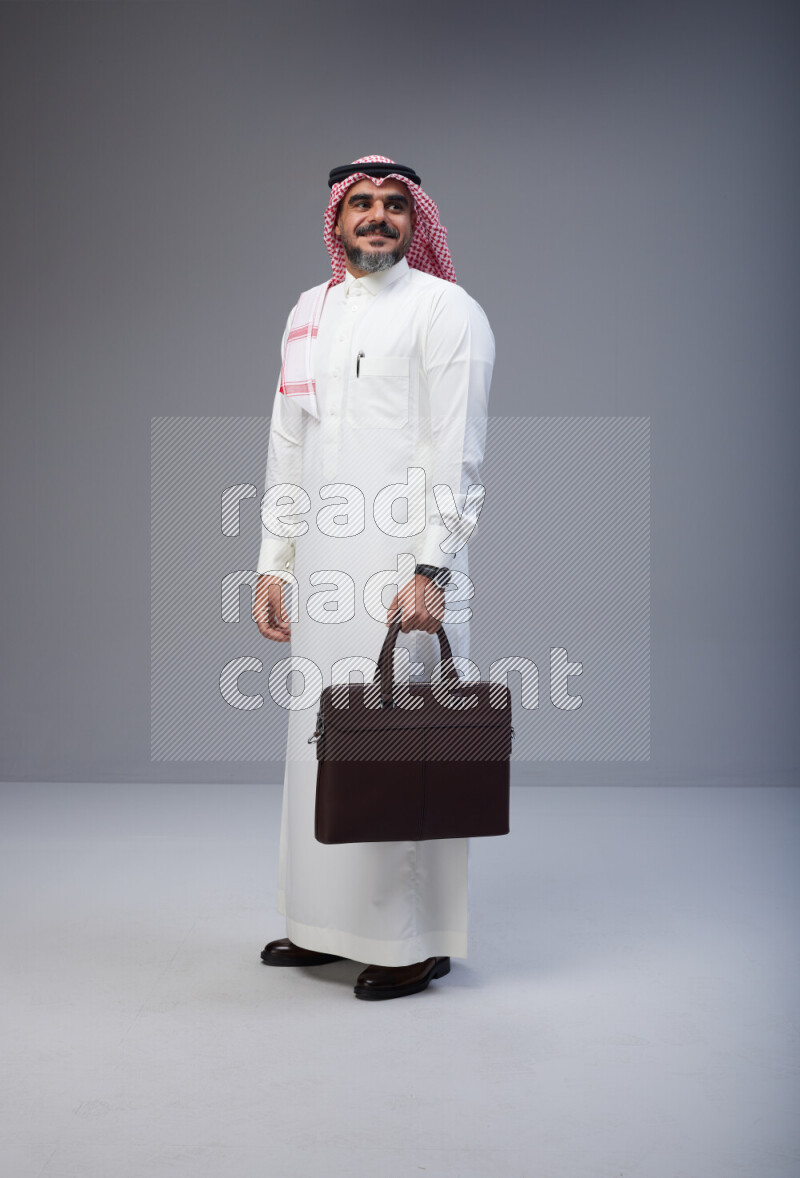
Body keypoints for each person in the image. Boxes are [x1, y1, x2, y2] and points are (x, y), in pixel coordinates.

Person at [253, 155, 495, 1000]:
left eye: (395, 204)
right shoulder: (309, 311)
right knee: (320, 740)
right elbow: (288, 442)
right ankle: (322, 925)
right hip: (324, 565)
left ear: (415, 220)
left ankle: (408, 943)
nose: (378, 216)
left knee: (401, 744)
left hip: (404, 564)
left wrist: (433, 567)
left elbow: (458, 450)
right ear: (338, 218)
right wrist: (274, 563)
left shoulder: (444, 309)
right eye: (362, 203)